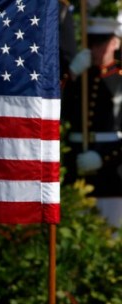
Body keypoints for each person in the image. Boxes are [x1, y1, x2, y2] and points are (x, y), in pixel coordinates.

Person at [62, 13, 122, 227]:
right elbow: (55, 106)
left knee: (112, 233)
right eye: (92, 44)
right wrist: (72, 74)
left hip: (112, 174)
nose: (96, 49)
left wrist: (104, 157)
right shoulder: (79, 77)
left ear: (115, 42)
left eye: (102, 43)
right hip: (76, 165)